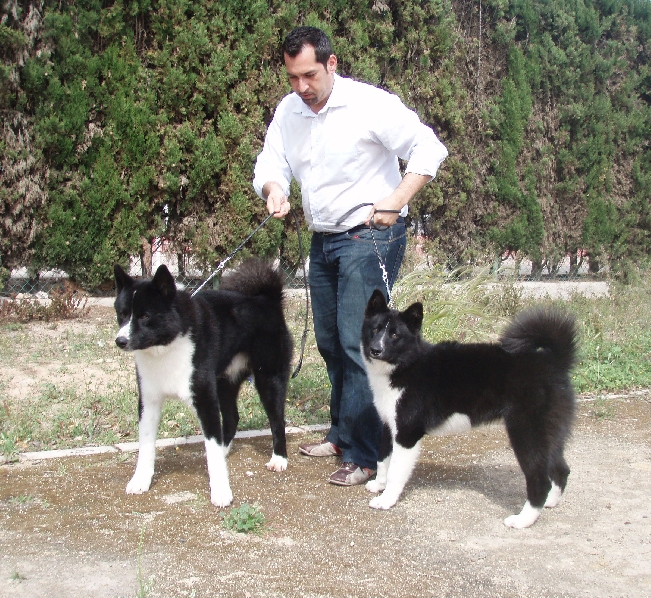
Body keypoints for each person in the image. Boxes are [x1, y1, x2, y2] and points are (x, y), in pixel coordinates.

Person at [253, 26, 448, 486]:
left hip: (370, 236)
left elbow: (429, 148)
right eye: (293, 77)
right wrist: (274, 189)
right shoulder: (288, 111)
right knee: (329, 342)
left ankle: (366, 456)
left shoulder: (369, 104)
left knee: (358, 344)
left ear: (331, 64)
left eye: (309, 75)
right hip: (323, 239)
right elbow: (271, 162)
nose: (301, 87)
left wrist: (396, 199)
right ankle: (342, 435)